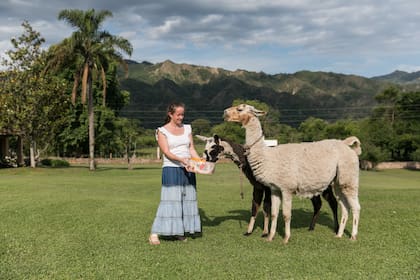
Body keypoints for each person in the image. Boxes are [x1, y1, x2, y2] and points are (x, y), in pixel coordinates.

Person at [149, 102, 202, 245]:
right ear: (170, 114)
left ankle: (178, 231)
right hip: (171, 168)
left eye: (182, 114)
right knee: (169, 201)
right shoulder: (162, 131)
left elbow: (191, 149)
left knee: (186, 200)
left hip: (188, 168)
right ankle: (154, 232)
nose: (181, 117)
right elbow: (166, 152)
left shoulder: (187, 128)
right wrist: (181, 160)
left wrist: (199, 161)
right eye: (178, 114)